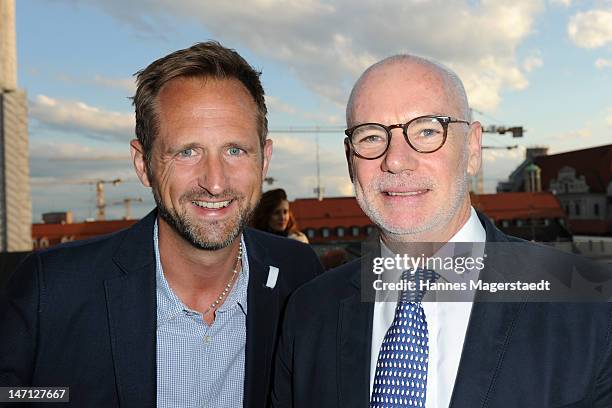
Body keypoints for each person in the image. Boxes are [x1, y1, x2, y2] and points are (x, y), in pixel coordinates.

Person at [271, 55, 612, 407]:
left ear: (473, 149)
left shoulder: (592, 305)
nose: (396, 160)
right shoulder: (309, 314)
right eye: (372, 136)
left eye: (427, 130)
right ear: (350, 160)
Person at [0, 41, 323, 407]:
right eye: (187, 151)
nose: (215, 182)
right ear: (143, 164)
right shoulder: (52, 291)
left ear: (264, 160)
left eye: (235, 150)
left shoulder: (300, 277)